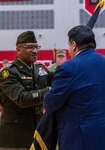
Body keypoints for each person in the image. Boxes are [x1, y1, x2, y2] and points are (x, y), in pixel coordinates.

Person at [44, 25, 105, 150]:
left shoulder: (67, 68)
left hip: (78, 137)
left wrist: (47, 94)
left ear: (73, 44)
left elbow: (51, 104)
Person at [0, 31, 53, 150]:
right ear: (18, 50)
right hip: (14, 137)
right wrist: (49, 90)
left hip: (37, 132)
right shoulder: (8, 73)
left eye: (36, 47)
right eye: (30, 47)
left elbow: (59, 79)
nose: (35, 51)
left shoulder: (40, 69)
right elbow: (22, 99)